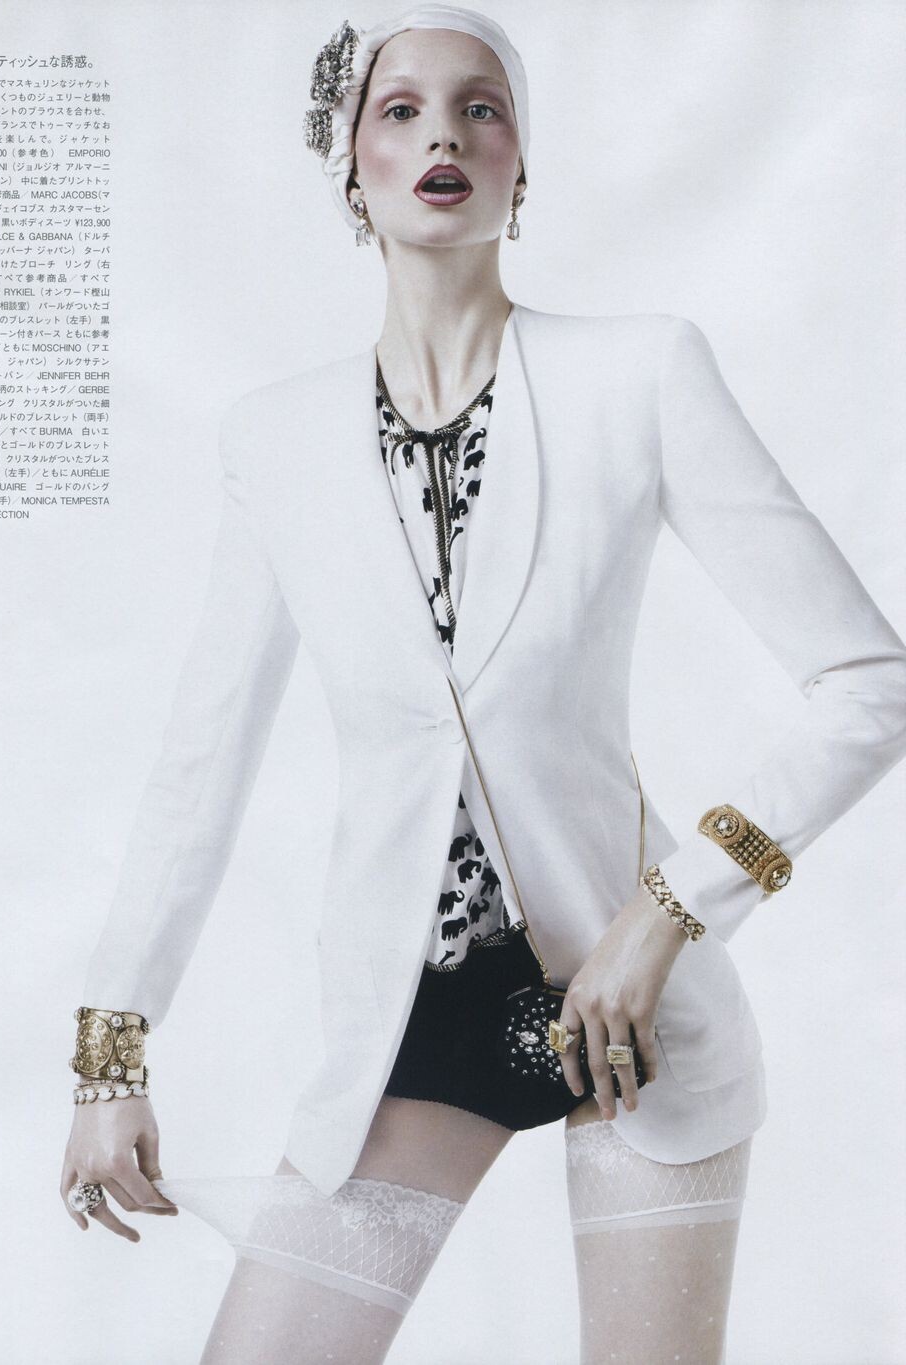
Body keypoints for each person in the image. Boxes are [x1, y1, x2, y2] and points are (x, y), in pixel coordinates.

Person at [59, 7, 906, 1362]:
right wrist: (113, 1051)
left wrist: (671, 911)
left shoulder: (638, 373)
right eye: (399, 109)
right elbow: (198, 769)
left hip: (639, 1021)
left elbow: (870, 681)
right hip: (411, 1018)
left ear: (521, 161)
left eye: (481, 106)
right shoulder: (275, 442)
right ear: (350, 162)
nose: (442, 133)